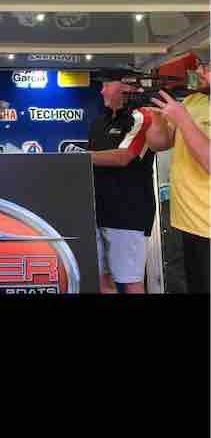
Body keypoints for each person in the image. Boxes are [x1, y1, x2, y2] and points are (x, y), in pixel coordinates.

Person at [145, 58, 210, 294]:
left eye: (206, 66)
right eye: (200, 64)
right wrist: (158, 116)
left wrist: (183, 119)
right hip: (187, 222)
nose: (199, 71)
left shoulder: (186, 109)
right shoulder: (193, 100)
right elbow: (158, 143)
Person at [87, 80, 155, 294]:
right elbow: (93, 161)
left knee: (131, 281)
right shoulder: (99, 122)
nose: (102, 90)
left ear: (126, 87)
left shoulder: (143, 117)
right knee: (101, 280)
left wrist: (78, 157)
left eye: (107, 85)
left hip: (128, 214)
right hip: (97, 212)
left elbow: (124, 157)